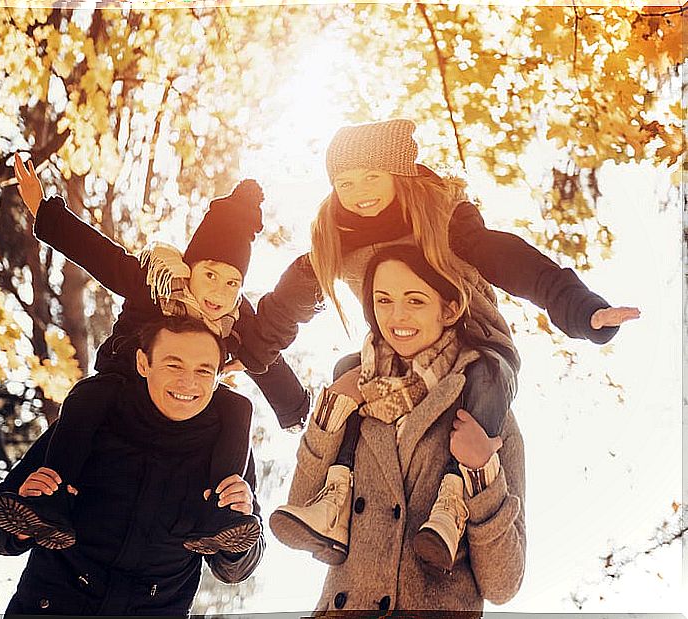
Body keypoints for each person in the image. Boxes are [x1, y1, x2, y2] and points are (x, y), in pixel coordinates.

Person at [268, 118, 638, 570]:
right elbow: (287, 302)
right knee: (347, 368)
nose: (359, 191)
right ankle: (336, 497)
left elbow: (511, 260)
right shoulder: (336, 236)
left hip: (472, 344)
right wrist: (248, 343)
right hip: (396, 352)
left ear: (399, 173)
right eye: (345, 182)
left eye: (372, 176)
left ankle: (453, 501)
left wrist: (579, 308)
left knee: (489, 374)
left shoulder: (443, 217)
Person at [0, 157, 315, 555]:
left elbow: (268, 353)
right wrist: (44, 209)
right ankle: (51, 495)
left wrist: (295, 408)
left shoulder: (236, 314)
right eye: (210, 274)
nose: (218, 292)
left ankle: (221, 516)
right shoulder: (156, 282)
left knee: (236, 409)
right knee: (88, 395)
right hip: (122, 385)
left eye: (233, 282)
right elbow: (100, 256)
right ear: (191, 266)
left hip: (182, 400)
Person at [274, 245, 525, 614]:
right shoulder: (354, 387)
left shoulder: (487, 410)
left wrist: (482, 474)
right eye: (384, 300)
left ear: (450, 308)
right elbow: (299, 510)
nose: (397, 315)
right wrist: (329, 415)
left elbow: (503, 584)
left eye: (415, 300)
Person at [0, 316, 265, 616]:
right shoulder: (90, 420)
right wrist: (25, 521)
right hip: (54, 603)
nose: (188, 382)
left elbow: (237, 570)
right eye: (174, 365)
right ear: (144, 363)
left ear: (218, 376)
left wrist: (240, 537)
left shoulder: (228, 447)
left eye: (204, 370)